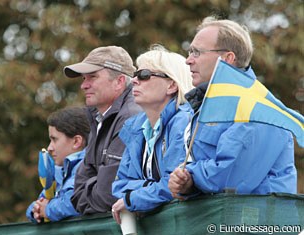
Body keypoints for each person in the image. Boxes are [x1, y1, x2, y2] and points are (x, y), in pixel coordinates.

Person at [168, 16, 297, 198]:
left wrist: (190, 177)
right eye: (190, 52)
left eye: (196, 52)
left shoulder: (255, 108)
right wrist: (183, 181)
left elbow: (231, 176)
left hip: (255, 224)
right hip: (218, 221)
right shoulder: (205, 106)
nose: (188, 60)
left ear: (227, 58)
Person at [111, 45, 194, 224]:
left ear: (172, 85)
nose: (134, 81)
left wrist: (134, 198)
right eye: (135, 75)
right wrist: (150, 188)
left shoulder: (184, 122)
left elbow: (173, 185)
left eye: (145, 75)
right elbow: (119, 186)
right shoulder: (135, 128)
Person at [63, 46, 142, 214]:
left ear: (119, 81)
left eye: (92, 77)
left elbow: (109, 193)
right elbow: (77, 192)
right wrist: (94, 186)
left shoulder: (130, 116)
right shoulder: (99, 117)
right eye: (84, 78)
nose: (84, 85)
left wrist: (90, 189)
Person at [26, 106, 90, 223]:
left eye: (54, 139)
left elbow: (76, 203)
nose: (49, 148)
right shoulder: (58, 171)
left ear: (76, 141)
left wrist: (48, 210)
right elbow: (41, 201)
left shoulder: (89, 167)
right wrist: (35, 210)